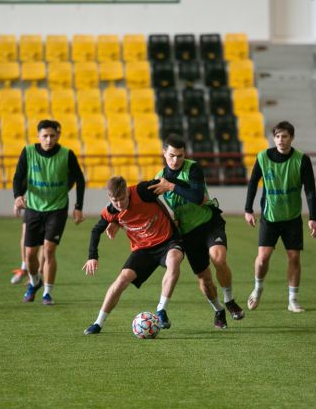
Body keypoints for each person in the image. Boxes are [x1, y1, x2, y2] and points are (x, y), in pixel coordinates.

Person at [149, 135, 244, 329]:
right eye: (172, 156)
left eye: (180, 156)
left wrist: (172, 186)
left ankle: (229, 300)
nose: (176, 160)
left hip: (208, 223)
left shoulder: (193, 168)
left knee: (218, 257)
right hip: (187, 234)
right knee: (205, 280)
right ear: (164, 154)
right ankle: (218, 310)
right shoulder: (158, 178)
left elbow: (198, 197)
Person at [82, 176, 184, 335]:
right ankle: (98, 323)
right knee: (122, 279)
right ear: (109, 197)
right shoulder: (111, 210)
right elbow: (96, 231)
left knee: (174, 259)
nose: (119, 204)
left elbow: (166, 179)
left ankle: (161, 310)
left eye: (122, 199)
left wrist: (188, 185)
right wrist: (92, 256)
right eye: (115, 200)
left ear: (127, 192)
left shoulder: (142, 191)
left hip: (168, 241)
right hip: (142, 249)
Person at [244, 121, 316, 313]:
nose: (280, 140)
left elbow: (310, 190)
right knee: (263, 258)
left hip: (292, 217)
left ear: (291, 138)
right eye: (277, 136)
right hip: (269, 216)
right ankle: (258, 288)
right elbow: (253, 183)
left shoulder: (301, 159)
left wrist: (312, 217)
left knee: (294, 257)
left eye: (284, 136)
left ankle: (293, 300)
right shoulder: (263, 157)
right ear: (274, 138)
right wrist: (248, 209)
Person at [13, 119, 85, 305]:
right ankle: (35, 282)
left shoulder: (67, 154)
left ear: (58, 136)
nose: (48, 140)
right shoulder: (28, 152)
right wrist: (17, 196)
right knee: (30, 255)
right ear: (38, 136)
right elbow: (18, 177)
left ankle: (47, 292)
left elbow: (80, 180)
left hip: (57, 209)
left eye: (52, 136)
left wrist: (78, 208)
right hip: (34, 209)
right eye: (45, 136)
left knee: (49, 250)